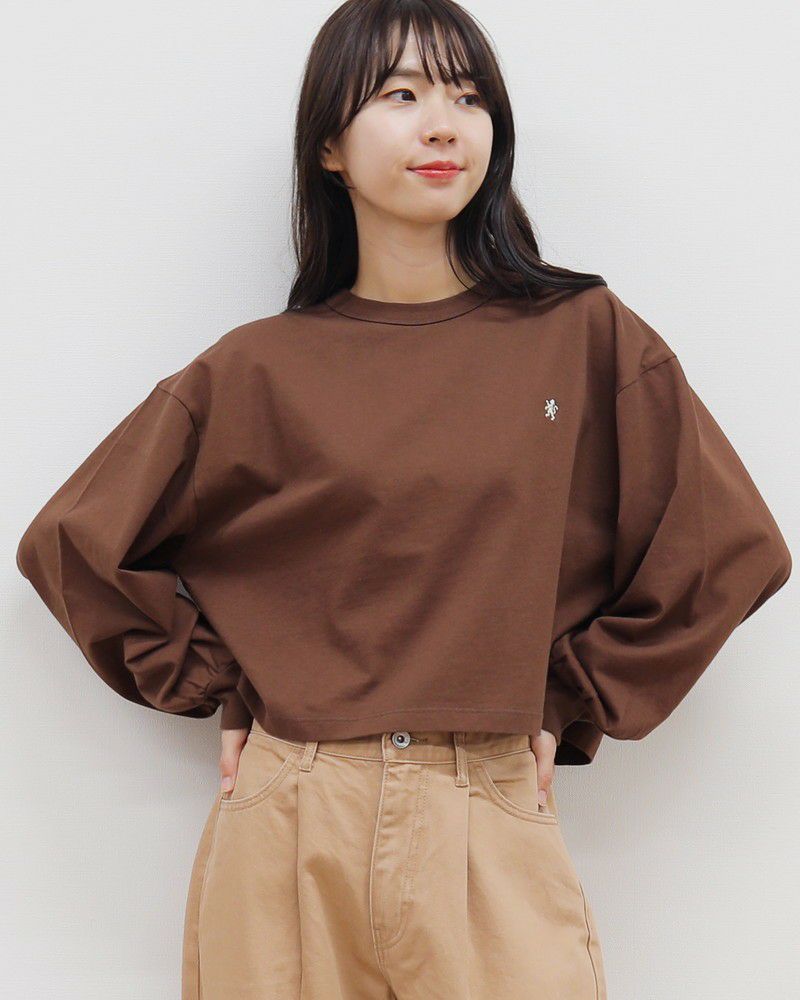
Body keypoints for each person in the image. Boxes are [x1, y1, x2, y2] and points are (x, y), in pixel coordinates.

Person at [15, 2, 792, 998]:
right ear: (329, 146)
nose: (442, 125)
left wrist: (569, 700)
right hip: (292, 812)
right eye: (401, 94)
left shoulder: (582, 338)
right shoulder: (258, 369)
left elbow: (725, 548)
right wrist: (222, 682)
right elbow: (74, 543)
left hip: (488, 805)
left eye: (468, 98)